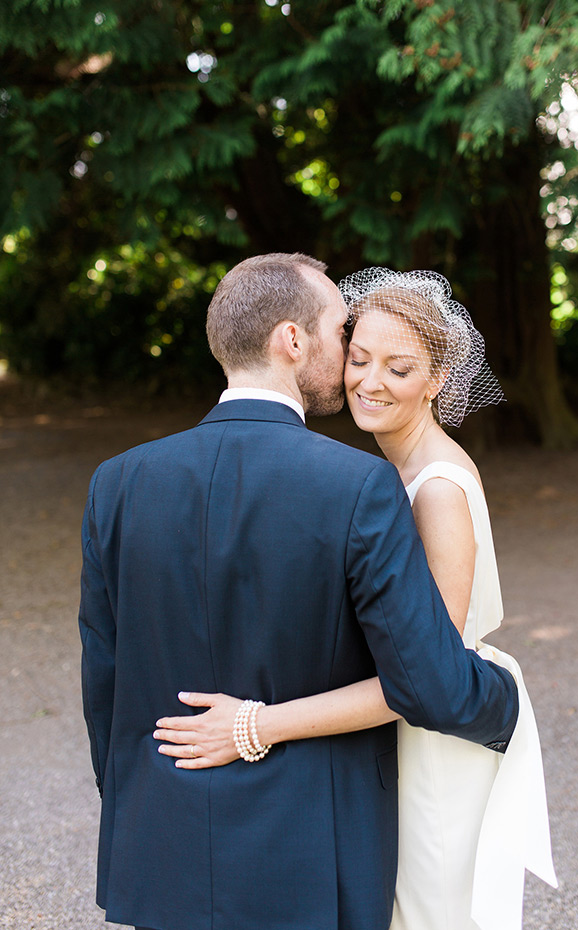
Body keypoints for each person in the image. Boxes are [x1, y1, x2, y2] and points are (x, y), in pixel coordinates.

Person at [79, 254, 519, 930]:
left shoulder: (117, 482)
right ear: (292, 340)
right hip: (313, 851)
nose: (349, 353)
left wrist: (142, 805)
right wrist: (506, 698)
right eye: (342, 333)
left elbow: (104, 682)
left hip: (164, 840)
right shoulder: (357, 486)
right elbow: (428, 679)